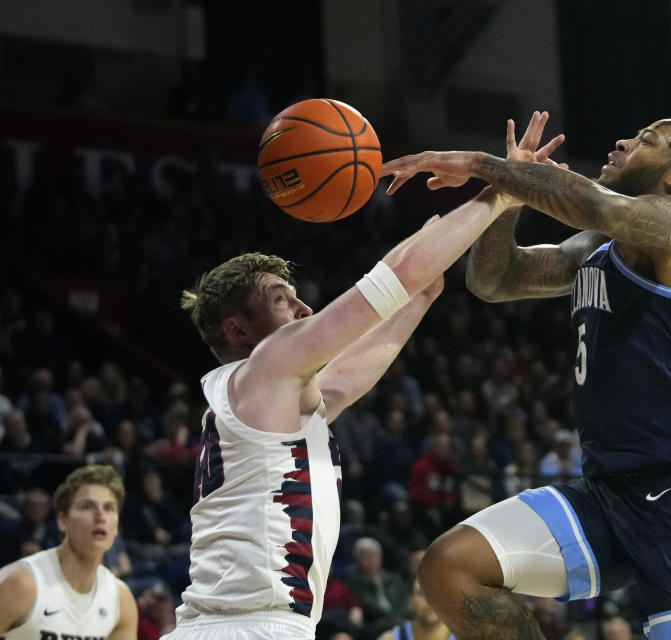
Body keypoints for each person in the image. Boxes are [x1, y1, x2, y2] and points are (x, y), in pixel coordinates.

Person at [163, 113, 564, 640]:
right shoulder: (267, 363)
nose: (305, 307)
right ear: (237, 329)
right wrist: (502, 191)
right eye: (282, 300)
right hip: (245, 629)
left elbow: (367, 351)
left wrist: (423, 289)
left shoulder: (271, 399)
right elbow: (397, 276)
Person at [383, 112, 671, 639]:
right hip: (605, 494)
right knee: (452, 566)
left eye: (645, 140)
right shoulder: (594, 249)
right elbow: (495, 280)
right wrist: (505, 195)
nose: (622, 139)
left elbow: (591, 203)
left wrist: (484, 166)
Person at [0, 464, 138, 639]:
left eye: (109, 508)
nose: (101, 517)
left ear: (116, 526)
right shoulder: (21, 583)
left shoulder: (120, 599)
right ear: (62, 521)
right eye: (87, 507)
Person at [377, 579, 455, 640]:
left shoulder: (465, 636)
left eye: (436, 593)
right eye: (421, 593)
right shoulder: (390, 638)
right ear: (411, 602)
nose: (429, 601)